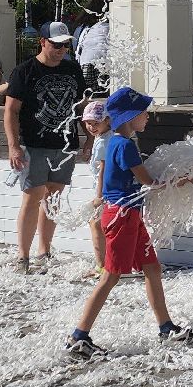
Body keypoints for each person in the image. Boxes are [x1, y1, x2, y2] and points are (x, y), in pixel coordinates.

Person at [66, 87, 193, 358]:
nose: (147, 117)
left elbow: (113, 175)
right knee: (110, 276)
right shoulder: (125, 145)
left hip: (128, 215)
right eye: (143, 113)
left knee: (152, 268)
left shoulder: (116, 142)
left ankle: (166, 327)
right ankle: (79, 336)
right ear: (129, 117)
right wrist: (185, 182)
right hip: (121, 217)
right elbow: (150, 184)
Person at [4, 22, 86, 274]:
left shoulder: (73, 69)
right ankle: (22, 256)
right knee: (32, 197)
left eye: (65, 44)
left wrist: (90, 138)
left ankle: (44, 251)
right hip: (34, 143)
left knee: (53, 198)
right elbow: (10, 110)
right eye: (56, 44)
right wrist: (13, 146)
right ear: (42, 42)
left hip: (65, 144)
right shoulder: (24, 71)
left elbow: (82, 106)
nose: (62, 49)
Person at [77, 98, 112, 274]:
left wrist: (99, 196)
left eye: (96, 123)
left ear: (108, 120)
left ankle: (102, 266)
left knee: (95, 223)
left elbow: (103, 171)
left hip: (105, 191)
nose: (91, 127)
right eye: (88, 123)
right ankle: (106, 264)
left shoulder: (104, 142)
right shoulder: (104, 137)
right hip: (108, 190)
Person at [74, 2, 110, 95]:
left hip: (82, 66)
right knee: (100, 98)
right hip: (97, 67)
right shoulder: (105, 26)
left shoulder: (83, 29)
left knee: (90, 97)